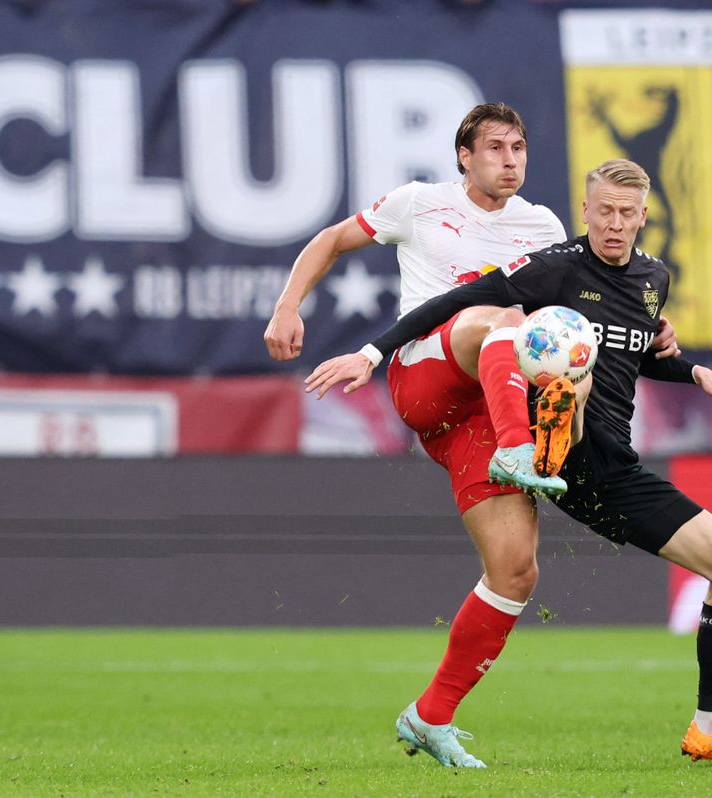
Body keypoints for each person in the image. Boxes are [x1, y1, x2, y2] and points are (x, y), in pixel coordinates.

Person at [306, 159, 712, 767]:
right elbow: (459, 300)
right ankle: (540, 431)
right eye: (603, 211)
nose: (614, 224)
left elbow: (630, 355)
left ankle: (711, 726)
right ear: (585, 211)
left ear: (643, 217)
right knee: (555, 362)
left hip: (614, 470)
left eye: (626, 214)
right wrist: (373, 353)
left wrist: (693, 372)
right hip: (559, 457)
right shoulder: (555, 266)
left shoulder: (651, 280)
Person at [266, 104, 679, 768]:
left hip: (485, 411)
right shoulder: (419, 204)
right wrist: (289, 307)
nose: (510, 159)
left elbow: (592, 308)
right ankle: (523, 448)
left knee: (516, 570)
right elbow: (332, 240)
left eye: (519, 147)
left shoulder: (542, 225)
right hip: (427, 374)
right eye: (495, 147)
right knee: (494, 315)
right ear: (465, 156)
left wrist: (657, 331)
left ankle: (430, 717)